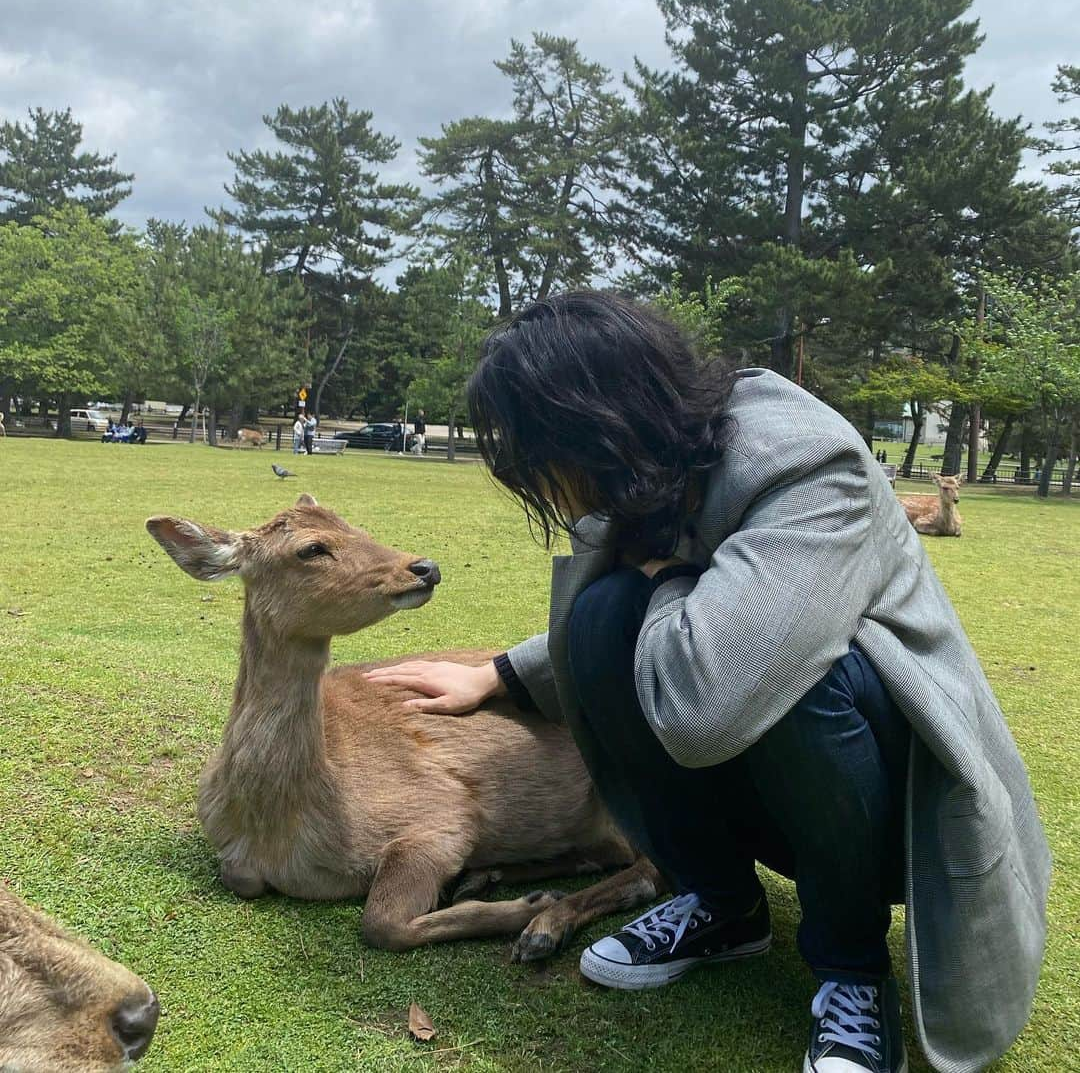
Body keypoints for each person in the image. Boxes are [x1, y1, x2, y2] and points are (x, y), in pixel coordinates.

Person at [365, 291, 1049, 1073]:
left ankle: (853, 971)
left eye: (535, 454)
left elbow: (707, 706)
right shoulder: (651, 468)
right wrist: (497, 675)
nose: (536, 481)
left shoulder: (806, 465)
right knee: (599, 619)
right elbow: (640, 620)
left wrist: (659, 577)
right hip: (784, 782)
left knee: (794, 674)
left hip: (898, 809)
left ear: (596, 424)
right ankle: (723, 906)